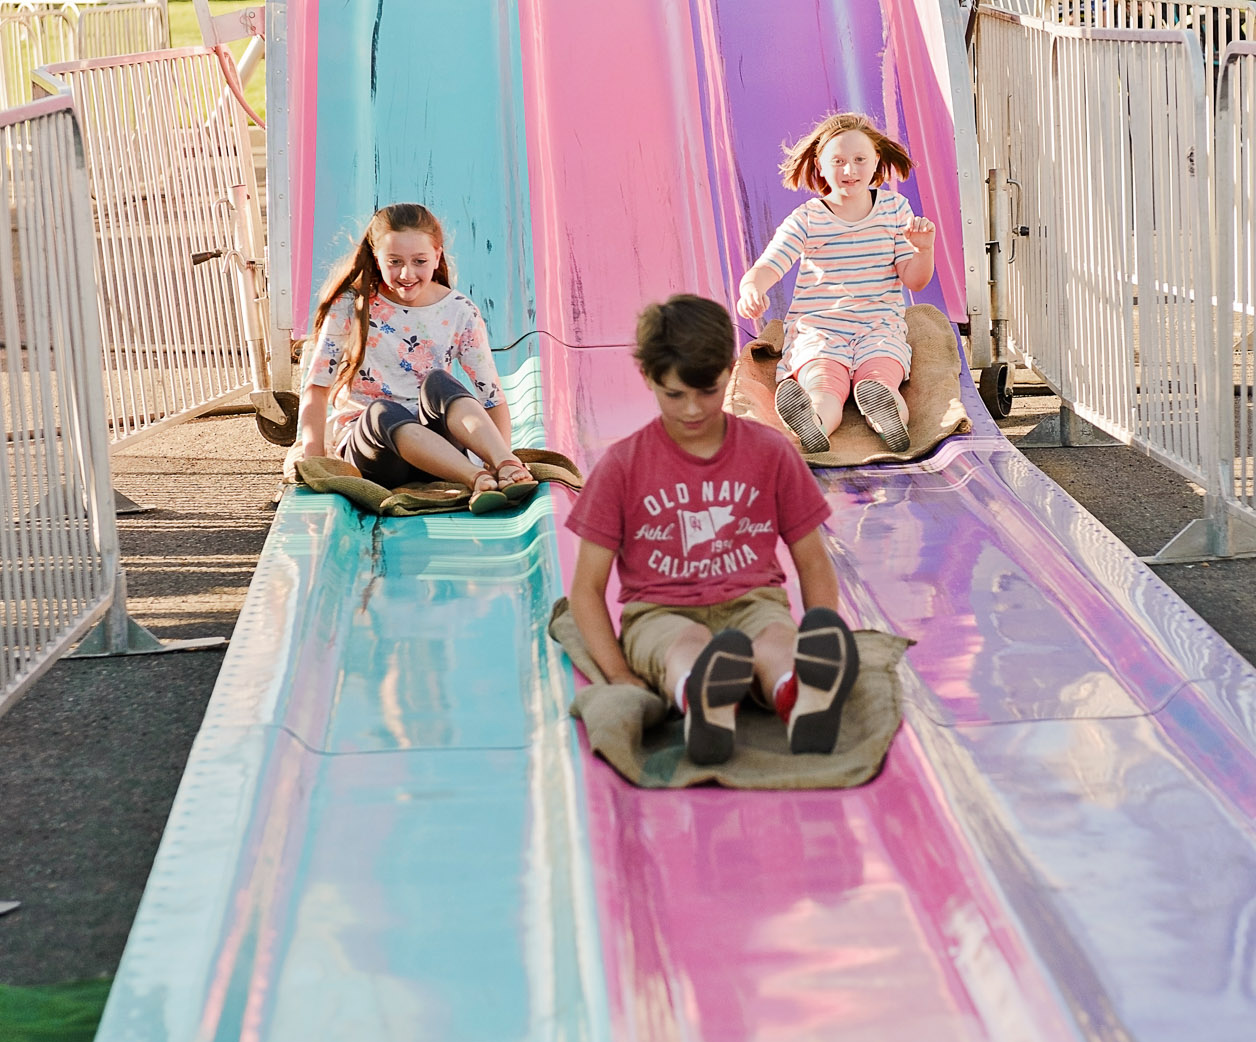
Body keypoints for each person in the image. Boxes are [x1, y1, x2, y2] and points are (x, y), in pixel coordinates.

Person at [566, 294, 859, 765]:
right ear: (648, 377)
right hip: (661, 612)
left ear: (729, 369)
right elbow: (586, 588)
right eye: (674, 394)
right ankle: (708, 703)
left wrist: (818, 629)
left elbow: (812, 560)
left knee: (777, 643)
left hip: (754, 602)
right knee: (687, 648)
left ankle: (802, 696)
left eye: (707, 391)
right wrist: (620, 674)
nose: (691, 409)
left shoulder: (770, 451)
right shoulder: (623, 465)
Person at [291, 200, 537, 512]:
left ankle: (506, 466)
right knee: (382, 411)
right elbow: (317, 388)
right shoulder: (351, 305)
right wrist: (314, 461)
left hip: (439, 454)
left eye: (419, 261)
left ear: (437, 255)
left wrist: (498, 452)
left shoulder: (459, 310)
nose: (407, 273)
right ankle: (475, 479)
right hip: (378, 454)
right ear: (377, 258)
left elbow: (491, 396)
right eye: (394, 261)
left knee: (440, 382)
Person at [735, 111, 935, 457]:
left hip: (878, 325)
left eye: (860, 159)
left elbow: (914, 279)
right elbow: (768, 265)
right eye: (838, 161)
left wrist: (923, 250)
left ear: (877, 160)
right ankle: (812, 421)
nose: (849, 170)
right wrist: (751, 288)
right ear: (820, 165)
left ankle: (888, 416)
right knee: (824, 383)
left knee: (881, 376)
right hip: (820, 328)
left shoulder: (894, 209)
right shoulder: (808, 218)